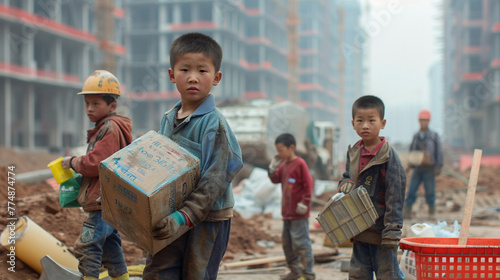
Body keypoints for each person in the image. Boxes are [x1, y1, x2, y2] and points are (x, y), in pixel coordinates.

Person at [142, 32, 243, 280]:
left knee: (196, 275)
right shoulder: (167, 119)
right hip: (172, 213)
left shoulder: (214, 125)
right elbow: (158, 166)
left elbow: (216, 179)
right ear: (171, 75)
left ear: (216, 77)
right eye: (185, 69)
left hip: (207, 218)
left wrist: (185, 215)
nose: (193, 78)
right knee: (158, 271)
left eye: (202, 71)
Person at [61, 70, 132, 280]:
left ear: (112, 106)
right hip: (111, 201)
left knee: (87, 247)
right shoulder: (108, 127)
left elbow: (95, 163)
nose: (90, 109)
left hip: (103, 202)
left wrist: (73, 162)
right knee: (111, 250)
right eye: (87, 103)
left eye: (96, 104)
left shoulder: (109, 129)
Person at [337, 95, 406, 280]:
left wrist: (393, 229)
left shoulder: (389, 155)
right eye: (360, 120)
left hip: (382, 231)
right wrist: (345, 184)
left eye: (371, 120)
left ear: (382, 123)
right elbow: (347, 177)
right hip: (359, 229)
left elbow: (396, 193)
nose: (365, 125)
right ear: (353, 124)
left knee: (387, 275)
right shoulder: (354, 153)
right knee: (358, 274)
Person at [268, 133, 315, 280]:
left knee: (301, 243)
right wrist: (272, 169)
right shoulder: (283, 166)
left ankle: (308, 273)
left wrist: (305, 202)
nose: (279, 153)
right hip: (287, 213)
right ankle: (295, 271)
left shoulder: (300, 163)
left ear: (291, 147)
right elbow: (275, 179)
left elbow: (309, 185)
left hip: (298, 213)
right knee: (287, 244)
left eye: (281, 150)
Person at [403, 109, 444, 219]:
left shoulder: (434, 136)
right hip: (418, 168)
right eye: (422, 120)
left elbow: (439, 151)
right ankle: (407, 213)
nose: (423, 123)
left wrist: (439, 166)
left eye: (425, 120)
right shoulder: (416, 136)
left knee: (430, 192)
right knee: (411, 191)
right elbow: (412, 151)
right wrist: (409, 165)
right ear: (419, 121)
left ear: (429, 121)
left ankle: (431, 214)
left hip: (429, 169)